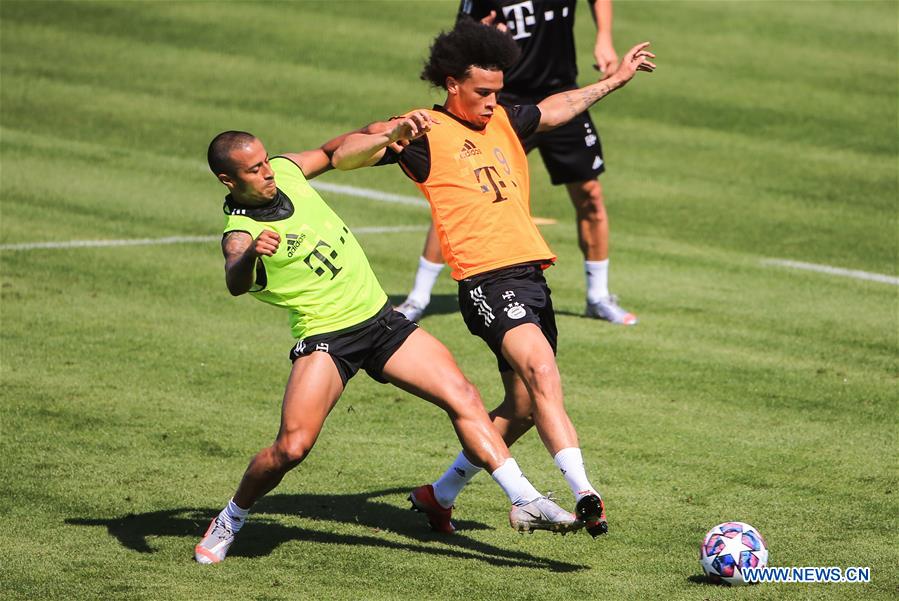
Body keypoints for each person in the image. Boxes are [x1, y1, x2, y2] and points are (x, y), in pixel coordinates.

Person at [194, 129, 584, 564]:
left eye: (265, 160)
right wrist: (251, 256)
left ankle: (524, 498)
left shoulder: (285, 171)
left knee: (464, 397)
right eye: (254, 169)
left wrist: (388, 132)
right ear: (229, 181)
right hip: (328, 338)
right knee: (291, 448)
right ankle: (231, 517)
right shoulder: (241, 231)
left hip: (381, 321)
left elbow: (330, 153)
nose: (267, 172)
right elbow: (234, 278)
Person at [333, 19, 654, 536]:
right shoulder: (423, 133)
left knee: (524, 407)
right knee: (543, 375)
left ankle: (439, 495)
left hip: (531, 275)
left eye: (497, 92)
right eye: (482, 92)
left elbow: (555, 109)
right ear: (451, 83)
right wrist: (389, 134)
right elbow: (342, 149)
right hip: (486, 281)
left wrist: (614, 80)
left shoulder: (503, 118)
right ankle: (584, 491)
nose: (491, 102)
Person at [395, 0, 637, 326]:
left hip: (560, 92)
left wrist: (603, 36)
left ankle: (598, 297)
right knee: (463, 192)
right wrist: (487, 33)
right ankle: (418, 297)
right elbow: (459, 42)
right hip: (501, 101)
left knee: (591, 195)